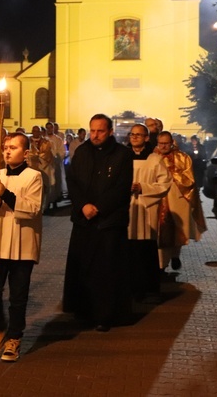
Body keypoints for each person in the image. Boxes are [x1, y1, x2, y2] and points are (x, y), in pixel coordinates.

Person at [63, 113, 133, 332]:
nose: (95, 135)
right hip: (84, 221)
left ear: (110, 131)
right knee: (83, 268)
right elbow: (72, 182)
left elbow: (121, 187)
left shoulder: (123, 155)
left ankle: (106, 314)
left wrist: (99, 207)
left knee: (106, 271)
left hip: (109, 222)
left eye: (100, 131)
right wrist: (83, 204)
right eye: (92, 130)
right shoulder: (82, 152)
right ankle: (83, 310)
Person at [0, 132, 44, 362]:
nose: (6, 151)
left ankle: (14, 339)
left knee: (18, 296)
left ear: (25, 153)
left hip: (22, 242)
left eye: (13, 147)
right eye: (5, 147)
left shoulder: (34, 176)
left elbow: (33, 207)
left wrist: (6, 195)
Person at [127, 124, 171, 300]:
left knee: (145, 248)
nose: (135, 137)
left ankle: (147, 287)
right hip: (127, 207)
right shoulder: (122, 157)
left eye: (139, 135)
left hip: (146, 207)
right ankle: (128, 287)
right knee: (128, 249)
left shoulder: (155, 159)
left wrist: (143, 187)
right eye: (132, 134)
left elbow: (165, 183)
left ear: (146, 138)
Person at [155, 131, 207, 271]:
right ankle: (161, 264)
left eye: (166, 143)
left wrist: (172, 173)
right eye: (161, 143)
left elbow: (189, 179)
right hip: (157, 199)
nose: (163, 146)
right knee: (160, 232)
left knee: (177, 230)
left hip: (176, 198)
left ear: (172, 143)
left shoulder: (182, 157)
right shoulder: (152, 157)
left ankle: (175, 256)